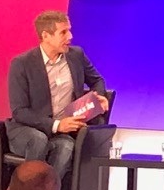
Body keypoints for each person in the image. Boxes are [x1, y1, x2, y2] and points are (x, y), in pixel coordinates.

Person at [6, 11, 109, 171]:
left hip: (62, 132)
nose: (70, 36)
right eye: (63, 32)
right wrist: (56, 125)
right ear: (46, 36)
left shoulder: (76, 55)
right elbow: (19, 111)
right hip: (26, 129)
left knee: (66, 146)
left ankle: (52, 187)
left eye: (69, 30)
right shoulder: (21, 64)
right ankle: (30, 186)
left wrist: (97, 97)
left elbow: (97, 80)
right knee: (39, 140)